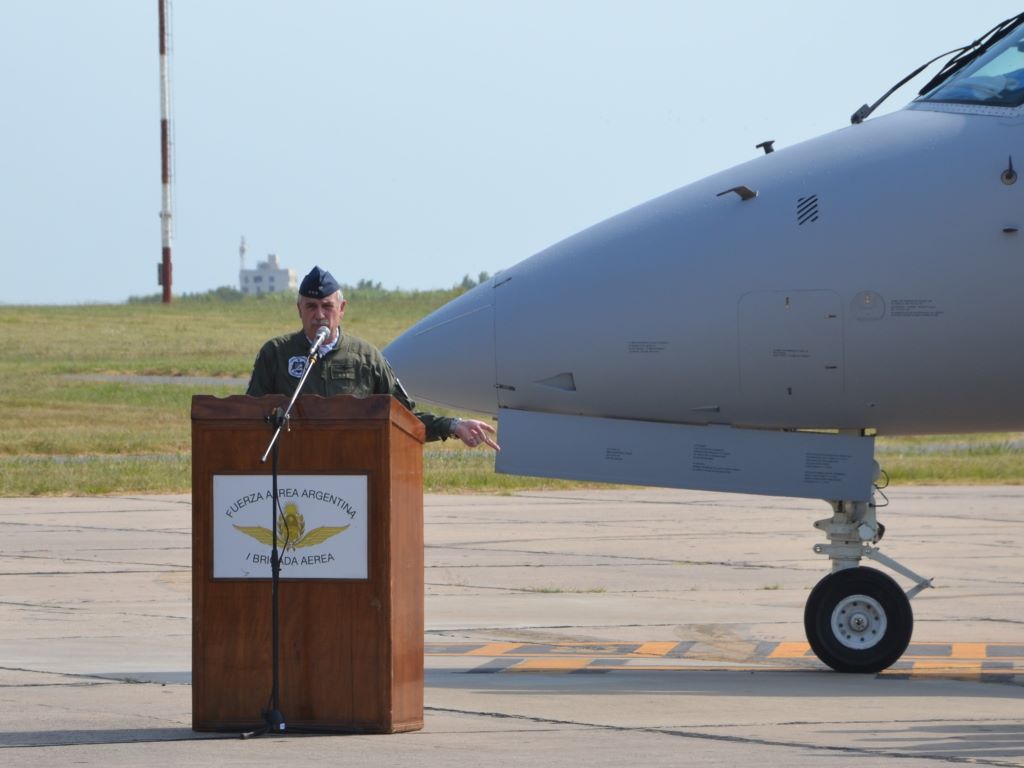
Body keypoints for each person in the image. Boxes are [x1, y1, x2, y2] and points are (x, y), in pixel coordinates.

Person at [246, 266, 499, 450]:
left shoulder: (366, 358)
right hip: (292, 471)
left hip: (353, 471)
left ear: (342, 309)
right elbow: (248, 417)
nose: (319, 315)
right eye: (311, 306)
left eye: (327, 306)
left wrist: (453, 426)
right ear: (299, 309)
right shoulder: (276, 354)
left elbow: (403, 418)